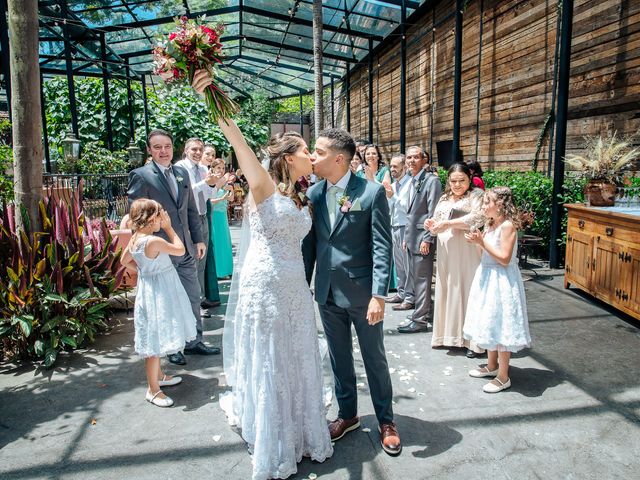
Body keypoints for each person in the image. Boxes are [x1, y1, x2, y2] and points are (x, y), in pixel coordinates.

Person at [190, 70, 332, 478]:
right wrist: (210, 93)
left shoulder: (300, 193)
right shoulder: (264, 185)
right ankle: (275, 436)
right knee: (272, 354)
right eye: (307, 149)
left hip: (294, 285)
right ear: (289, 157)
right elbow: (236, 140)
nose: (312, 155)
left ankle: (301, 428)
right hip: (266, 284)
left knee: (297, 351)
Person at [303, 128, 401, 456]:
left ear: (339, 158)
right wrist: (303, 287)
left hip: (363, 295)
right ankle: (348, 415)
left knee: (374, 358)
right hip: (327, 293)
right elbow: (311, 247)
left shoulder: (371, 193)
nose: (312, 157)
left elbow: (381, 247)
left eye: (318, 152)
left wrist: (379, 294)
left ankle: (387, 420)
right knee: (338, 357)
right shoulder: (313, 194)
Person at [127, 129, 220, 366]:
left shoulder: (181, 173)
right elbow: (136, 216)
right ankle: (174, 347)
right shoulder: (141, 175)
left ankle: (194, 341)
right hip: (161, 250)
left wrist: (198, 239)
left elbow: (189, 209)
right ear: (149, 150)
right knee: (168, 301)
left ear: (172, 148)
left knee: (192, 296)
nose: (163, 151)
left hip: (186, 247)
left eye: (167, 146)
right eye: (157, 147)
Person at [119, 199, 197, 407]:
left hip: (152, 289)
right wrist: (170, 229)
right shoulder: (153, 241)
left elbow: (124, 260)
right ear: (150, 219)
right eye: (159, 214)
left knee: (158, 332)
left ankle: (160, 376)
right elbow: (180, 250)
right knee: (153, 340)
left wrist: (146, 270)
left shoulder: (136, 238)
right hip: (160, 292)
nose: (162, 218)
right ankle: (153, 390)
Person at [463, 187, 531, 393]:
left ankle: (503, 376)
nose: (483, 206)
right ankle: (492, 366)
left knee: (502, 324)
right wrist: (478, 241)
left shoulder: (508, 226)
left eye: (487, 202)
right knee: (489, 319)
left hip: (502, 280)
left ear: (500, 204)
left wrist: (481, 241)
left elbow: (504, 258)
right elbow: (484, 253)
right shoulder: (491, 224)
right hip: (486, 276)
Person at [425, 163, 485, 358]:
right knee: (448, 288)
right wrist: (431, 225)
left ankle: (471, 341)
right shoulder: (443, 198)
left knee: (466, 289)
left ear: (470, 179)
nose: (457, 184)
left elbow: (479, 218)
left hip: (466, 248)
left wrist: (449, 223)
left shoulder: (476, 196)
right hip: (445, 251)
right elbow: (437, 223)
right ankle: (448, 336)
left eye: (462, 180)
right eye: (453, 181)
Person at [175, 139, 228, 310]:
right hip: (189, 220)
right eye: (194, 149)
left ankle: (199, 300)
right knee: (191, 261)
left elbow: (209, 195)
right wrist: (205, 183)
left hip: (203, 216)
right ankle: (190, 302)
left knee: (202, 261)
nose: (198, 153)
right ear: (186, 150)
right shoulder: (180, 167)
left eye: (200, 149)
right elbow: (186, 193)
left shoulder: (204, 169)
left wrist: (213, 184)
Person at [397, 146, 442, 334]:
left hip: (423, 238)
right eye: (409, 157)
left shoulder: (431, 181)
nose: (412, 160)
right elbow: (410, 213)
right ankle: (422, 312)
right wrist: (407, 237)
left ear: (424, 160)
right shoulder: (413, 180)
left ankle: (420, 320)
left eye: (416, 157)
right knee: (415, 278)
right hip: (412, 237)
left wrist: (428, 238)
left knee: (422, 279)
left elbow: (433, 213)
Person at [382, 154, 414, 310]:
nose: (392, 169)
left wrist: (392, 196)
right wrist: (389, 196)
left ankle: (410, 297)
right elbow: (389, 208)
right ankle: (401, 293)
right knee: (399, 264)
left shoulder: (411, 184)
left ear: (404, 168)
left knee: (407, 264)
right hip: (394, 226)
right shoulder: (393, 186)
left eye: (395, 166)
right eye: (391, 166)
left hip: (405, 226)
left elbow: (408, 207)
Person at [208, 158, 234, 278]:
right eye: (218, 167)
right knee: (216, 243)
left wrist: (230, 191)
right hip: (214, 216)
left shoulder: (226, 182)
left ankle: (226, 270)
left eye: (223, 168)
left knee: (225, 242)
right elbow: (209, 201)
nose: (221, 170)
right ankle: (218, 272)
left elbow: (231, 199)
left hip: (223, 216)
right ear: (213, 168)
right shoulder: (211, 182)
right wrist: (221, 198)